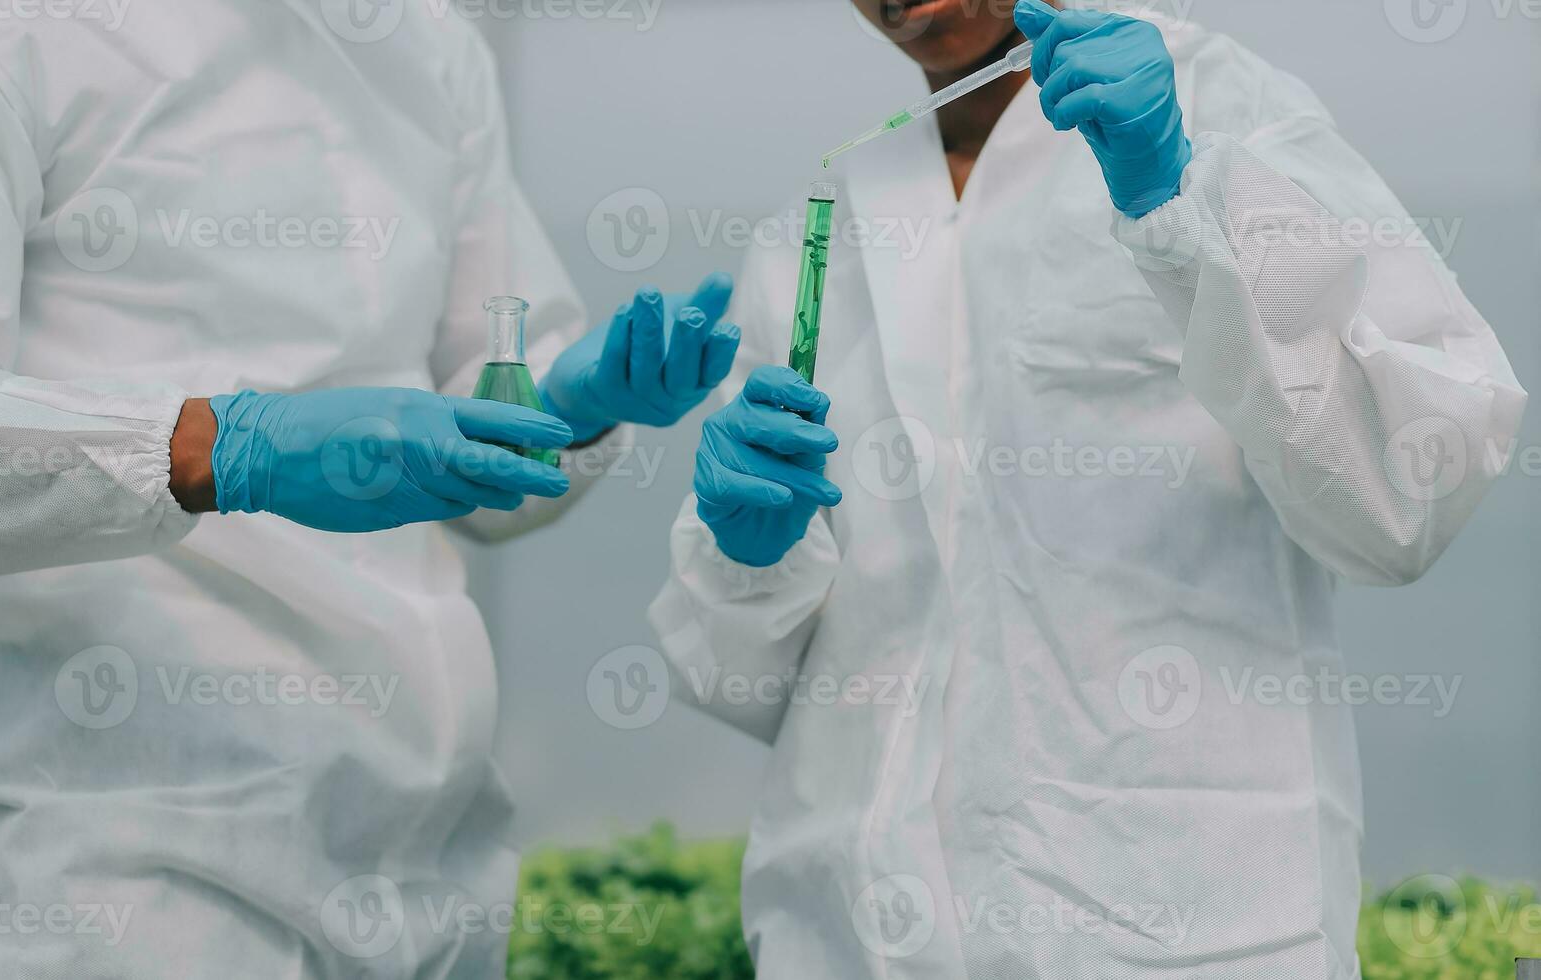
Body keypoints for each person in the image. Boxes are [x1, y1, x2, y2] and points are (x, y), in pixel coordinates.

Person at [649, 1, 1528, 977]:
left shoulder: (1217, 107)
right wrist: (750, 549)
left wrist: (1175, 203)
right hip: (848, 929)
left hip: (1168, 925)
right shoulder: (818, 228)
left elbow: (1402, 501)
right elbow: (737, 670)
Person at [0, 2, 738, 975]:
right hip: (126, 850)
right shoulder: (10, 31)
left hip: (429, 846)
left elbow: (484, 440)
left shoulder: (430, 44)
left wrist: (568, 405)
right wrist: (227, 447)